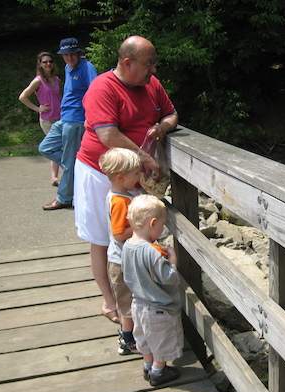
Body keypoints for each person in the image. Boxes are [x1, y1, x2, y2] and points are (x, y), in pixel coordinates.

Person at [74, 35, 178, 324]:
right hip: (99, 173)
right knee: (102, 239)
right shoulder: (102, 88)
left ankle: (133, 299)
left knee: (132, 236)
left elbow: (172, 114)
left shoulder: (150, 85)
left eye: (154, 63)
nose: (153, 70)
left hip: (134, 179)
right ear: (127, 62)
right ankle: (111, 304)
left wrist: (162, 127)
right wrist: (145, 158)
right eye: (149, 64)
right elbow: (107, 135)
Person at [121, 194, 183, 386]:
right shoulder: (151, 251)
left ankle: (147, 366)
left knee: (145, 340)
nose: (162, 229)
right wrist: (172, 260)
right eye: (162, 225)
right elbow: (169, 278)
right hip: (158, 308)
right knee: (161, 341)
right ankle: (158, 372)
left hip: (138, 304)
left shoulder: (126, 247)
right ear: (152, 223)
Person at [39, 37, 98, 210]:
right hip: (63, 118)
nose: (69, 58)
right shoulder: (67, 68)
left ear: (78, 53)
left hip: (76, 120)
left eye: (72, 54)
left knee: (68, 160)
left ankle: (64, 198)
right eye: (65, 55)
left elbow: (96, 92)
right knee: (45, 148)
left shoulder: (87, 68)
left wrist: (91, 117)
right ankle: (74, 166)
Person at [98, 147, 142, 352]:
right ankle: (127, 340)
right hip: (120, 261)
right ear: (121, 177)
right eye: (136, 173)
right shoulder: (120, 201)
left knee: (129, 300)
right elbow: (118, 234)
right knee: (126, 303)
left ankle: (129, 334)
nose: (139, 176)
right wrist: (139, 226)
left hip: (121, 259)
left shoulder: (118, 194)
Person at [19, 51, 62, 186]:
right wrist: (38, 108)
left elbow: (59, 97)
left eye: (50, 61)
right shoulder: (38, 81)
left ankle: (55, 177)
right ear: (40, 64)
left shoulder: (56, 79)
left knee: (59, 147)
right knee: (56, 146)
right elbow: (23, 97)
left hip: (60, 118)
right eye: (44, 62)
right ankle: (63, 173)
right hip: (47, 120)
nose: (48, 64)